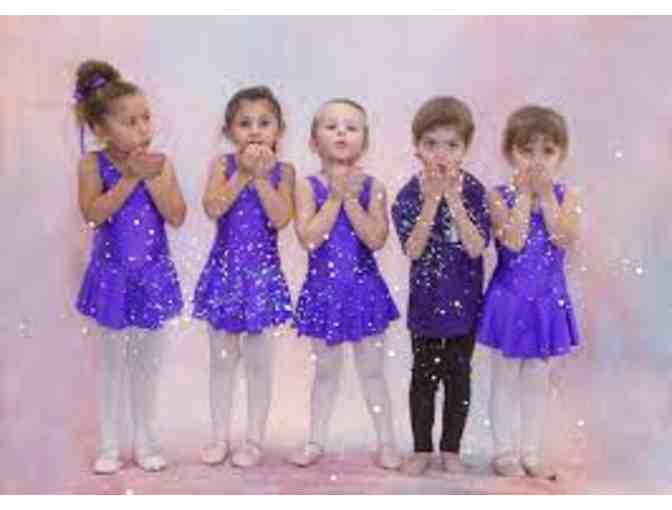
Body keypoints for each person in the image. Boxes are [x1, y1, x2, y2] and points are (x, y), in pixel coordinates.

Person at [74, 59, 186, 474]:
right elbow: (93, 214)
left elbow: (177, 216)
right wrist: (128, 178)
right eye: (129, 121)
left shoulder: (162, 164)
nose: (142, 128)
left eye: (146, 118)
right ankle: (109, 444)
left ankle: (145, 439)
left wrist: (151, 177)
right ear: (101, 128)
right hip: (113, 277)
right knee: (110, 364)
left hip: (152, 275)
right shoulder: (92, 164)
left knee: (147, 364)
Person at [287, 98, 401, 470]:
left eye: (351, 128)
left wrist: (350, 199)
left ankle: (387, 441)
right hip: (323, 293)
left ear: (363, 141)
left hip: (365, 293)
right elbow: (309, 238)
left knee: (373, 372)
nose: (341, 133)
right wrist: (334, 197)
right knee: (325, 373)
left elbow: (376, 239)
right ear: (313, 141)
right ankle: (315, 440)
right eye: (331, 126)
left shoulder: (374, 187)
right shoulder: (306, 187)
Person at [476, 105, 581, 479]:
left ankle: (530, 450)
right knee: (504, 376)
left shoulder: (567, 195)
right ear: (510, 152)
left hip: (547, 299)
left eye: (547, 151)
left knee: (537, 377)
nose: (537, 160)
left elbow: (563, 238)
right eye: (527, 150)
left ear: (561, 155)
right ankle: (503, 451)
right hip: (510, 297)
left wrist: (546, 197)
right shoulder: (498, 195)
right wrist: (524, 195)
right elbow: (514, 241)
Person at [193, 86, 294, 468]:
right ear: (229, 131)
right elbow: (213, 207)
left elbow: (280, 218)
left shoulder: (284, 172)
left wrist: (262, 178)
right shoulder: (222, 165)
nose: (254, 131)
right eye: (244, 123)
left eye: (264, 123)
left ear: (279, 130)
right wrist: (242, 175)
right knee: (221, 362)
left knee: (258, 364)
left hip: (262, 278)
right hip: (224, 274)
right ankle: (219, 437)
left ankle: (253, 441)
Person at [391, 96, 490, 476]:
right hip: (427, 304)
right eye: (431, 144)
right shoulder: (408, 194)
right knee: (423, 377)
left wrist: (453, 198)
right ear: (417, 147)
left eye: (451, 145)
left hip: (465, 302)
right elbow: (413, 249)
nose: (441, 154)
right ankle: (421, 448)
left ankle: (451, 449)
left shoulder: (476, 191)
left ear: (465, 148)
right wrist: (433, 200)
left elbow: (476, 246)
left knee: (458, 377)